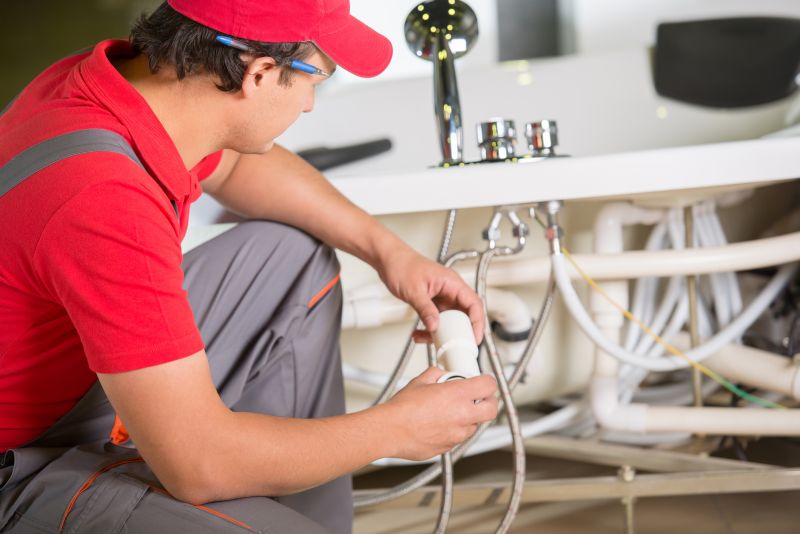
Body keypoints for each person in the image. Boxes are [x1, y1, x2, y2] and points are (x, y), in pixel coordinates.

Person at [0, 0, 499, 532]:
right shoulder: (104, 197)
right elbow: (198, 465)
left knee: (290, 257)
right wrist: (394, 430)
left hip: (76, 388)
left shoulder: (108, 87)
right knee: (210, 468)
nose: (309, 104)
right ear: (258, 74)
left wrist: (390, 253)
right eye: (316, 78)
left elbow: (234, 165)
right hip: (25, 461)